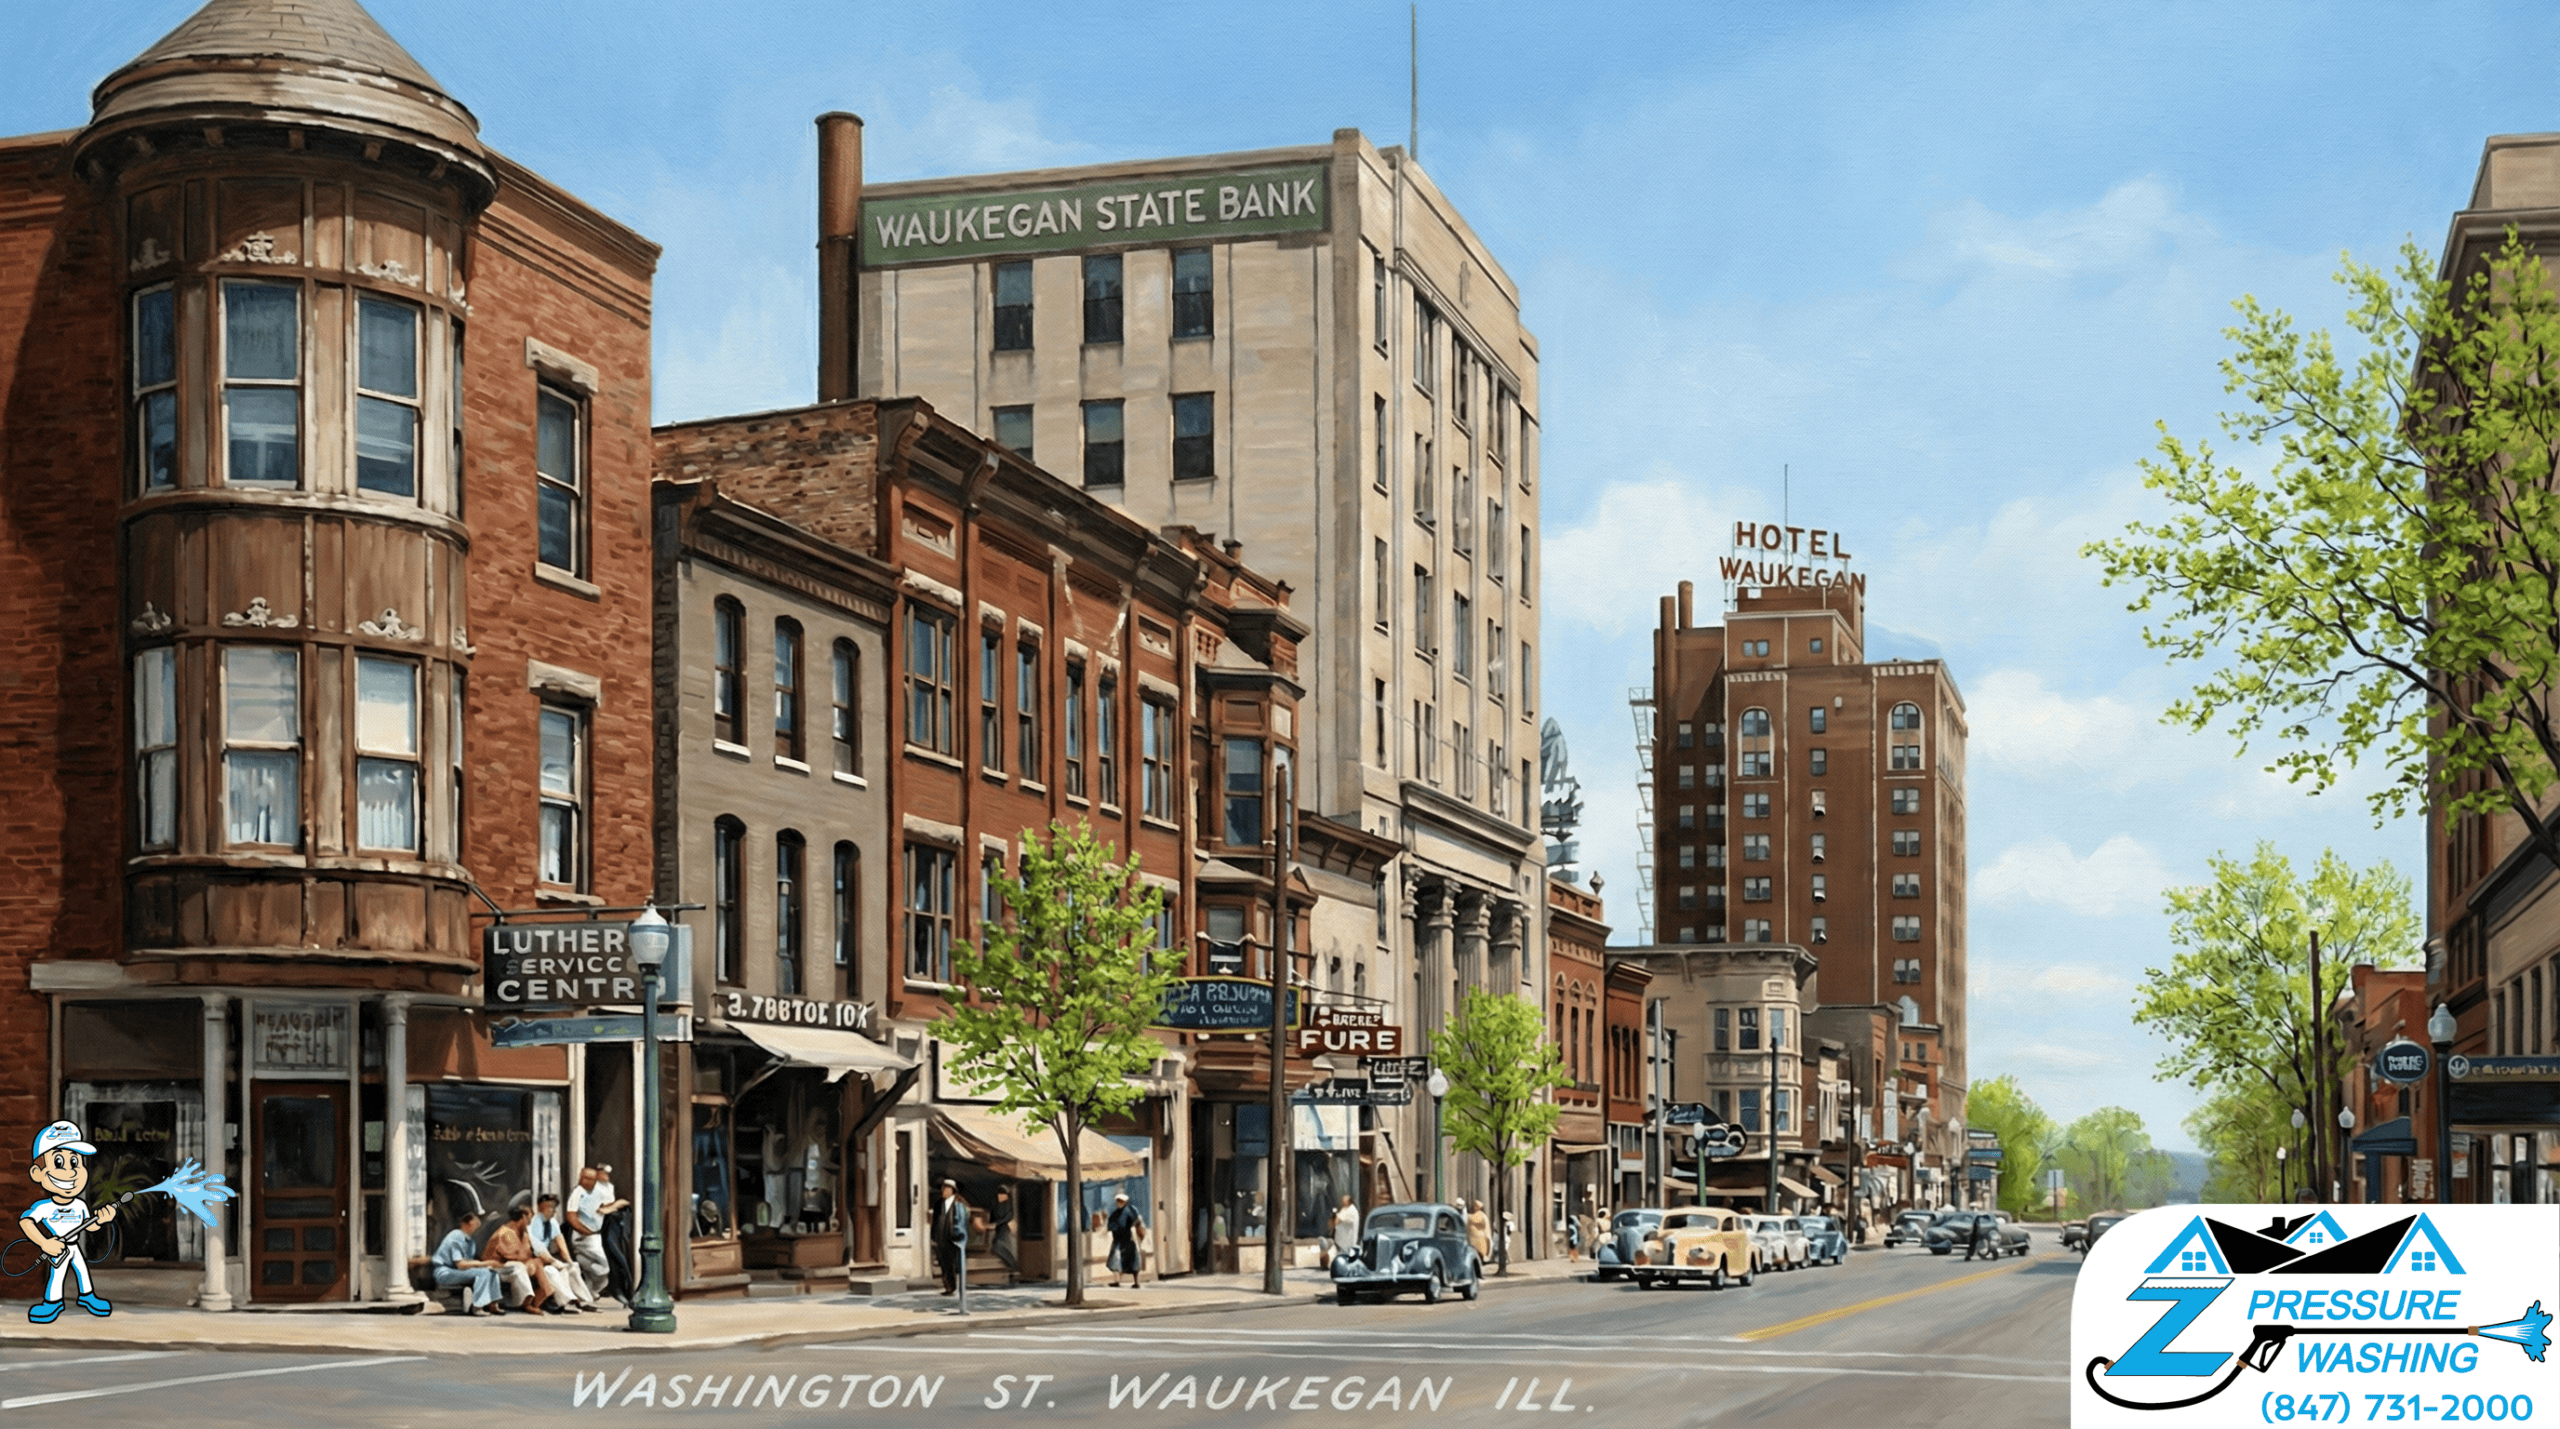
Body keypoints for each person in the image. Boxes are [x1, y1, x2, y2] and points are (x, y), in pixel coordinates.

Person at [20, 1119, 115, 1323]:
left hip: (74, 1246)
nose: (70, 1172)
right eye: (59, 1163)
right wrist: (45, 1243)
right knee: (58, 1274)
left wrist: (102, 1219)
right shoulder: (44, 1207)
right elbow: (26, 1222)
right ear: (38, 1173)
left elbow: (90, 1224)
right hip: (58, 1247)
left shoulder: (80, 1205)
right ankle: (52, 1303)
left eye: (75, 1162)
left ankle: (88, 1297)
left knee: (82, 1270)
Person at [529, 1193, 602, 1310]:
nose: (553, 1210)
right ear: (540, 1207)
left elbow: (560, 1241)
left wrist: (569, 1261)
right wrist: (553, 1261)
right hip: (535, 1261)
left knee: (572, 1268)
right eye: (550, 1207)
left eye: (554, 1207)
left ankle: (583, 1301)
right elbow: (537, 1248)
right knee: (551, 1271)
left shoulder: (552, 1222)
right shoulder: (532, 1223)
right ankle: (567, 1302)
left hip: (547, 1259)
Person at [431, 1210, 505, 1316]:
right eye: (474, 1224)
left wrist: (487, 1265)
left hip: (456, 1271)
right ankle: (477, 1306)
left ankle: (493, 1305)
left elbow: (469, 1263)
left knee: (492, 1272)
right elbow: (461, 1264)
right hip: (445, 1272)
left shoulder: (470, 1241)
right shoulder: (456, 1236)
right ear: (465, 1223)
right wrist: (485, 1264)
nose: (476, 1227)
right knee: (484, 1273)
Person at [564, 1167, 618, 1301]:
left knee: (592, 1269)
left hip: (595, 1236)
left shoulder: (599, 1192)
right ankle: (590, 1291)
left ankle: (588, 1293)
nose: (586, 1181)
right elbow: (571, 1216)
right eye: (584, 1178)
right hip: (584, 1237)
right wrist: (585, 1231)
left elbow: (607, 1205)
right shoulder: (578, 1192)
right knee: (605, 1267)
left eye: (591, 1179)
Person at [1106, 1191, 1147, 1289]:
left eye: (1121, 1201)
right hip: (1118, 1239)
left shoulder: (1131, 1210)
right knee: (1116, 1260)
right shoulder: (1115, 1213)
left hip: (1129, 1239)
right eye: (1118, 1201)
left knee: (1133, 1260)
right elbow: (1110, 1224)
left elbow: (1137, 1222)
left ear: (1125, 1202)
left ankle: (1136, 1282)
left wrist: (1139, 1233)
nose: (1119, 1202)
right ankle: (1117, 1281)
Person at [934, 1180, 966, 1295]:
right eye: (943, 1189)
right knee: (944, 1264)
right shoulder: (939, 1204)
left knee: (952, 1264)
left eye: (947, 1189)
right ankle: (948, 1286)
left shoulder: (959, 1203)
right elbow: (936, 1221)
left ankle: (952, 1287)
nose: (944, 1191)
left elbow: (963, 1219)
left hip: (953, 1238)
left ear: (953, 1191)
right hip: (941, 1239)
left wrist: (957, 1235)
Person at [989, 1186, 1018, 1277]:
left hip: (1005, 1230)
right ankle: (1011, 1267)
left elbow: (1008, 1216)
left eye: (1003, 1194)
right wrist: (991, 1224)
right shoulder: (996, 1206)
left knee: (999, 1246)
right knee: (996, 1248)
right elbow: (992, 1218)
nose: (1000, 1196)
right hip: (998, 1230)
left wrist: (996, 1223)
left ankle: (1013, 1267)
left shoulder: (1008, 1205)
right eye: (999, 1194)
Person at [1331, 1194, 1359, 1266]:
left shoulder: (1351, 1210)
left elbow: (1338, 1220)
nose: (1342, 1203)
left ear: (1348, 1201)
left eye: (1343, 1201)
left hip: (1347, 1240)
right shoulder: (1345, 1209)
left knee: (1345, 1258)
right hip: (1342, 1241)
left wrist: (1335, 1215)